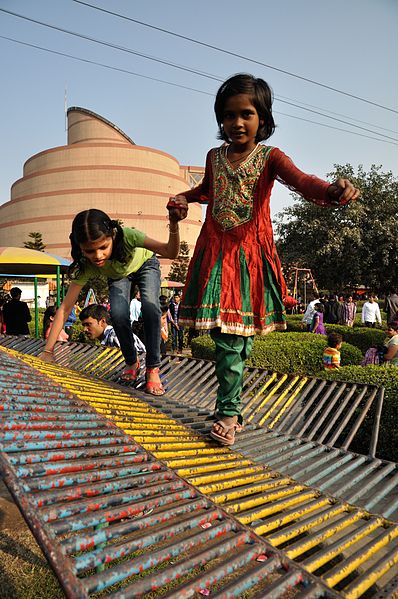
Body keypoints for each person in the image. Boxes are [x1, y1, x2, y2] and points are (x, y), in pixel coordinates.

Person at [171, 73, 360, 445]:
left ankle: (229, 408)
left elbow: (304, 181)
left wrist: (333, 190)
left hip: (249, 257)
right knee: (228, 337)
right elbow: (207, 191)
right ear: (219, 119)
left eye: (246, 114)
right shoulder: (213, 157)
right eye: (228, 115)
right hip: (215, 253)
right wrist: (183, 197)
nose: (237, 123)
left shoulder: (271, 157)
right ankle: (229, 410)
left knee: (237, 338)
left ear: (263, 119)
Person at [39, 207, 184, 395]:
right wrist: (48, 351)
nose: (98, 256)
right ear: (80, 247)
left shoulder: (129, 237)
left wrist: (173, 224)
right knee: (117, 314)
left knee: (150, 307)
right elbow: (65, 308)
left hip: (145, 265)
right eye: (90, 251)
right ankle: (132, 362)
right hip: (119, 276)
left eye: (103, 247)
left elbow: (169, 252)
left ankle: (153, 368)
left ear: (113, 236)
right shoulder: (86, 265)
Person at [79, 303, 146, 355]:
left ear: (102, 321)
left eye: (88, 324)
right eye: (83, 325)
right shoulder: (109, 337)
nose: (85, 329)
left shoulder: (115, 337)